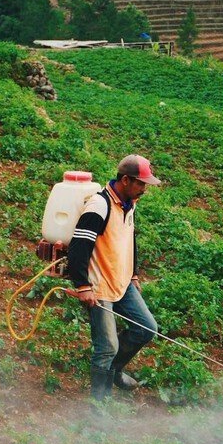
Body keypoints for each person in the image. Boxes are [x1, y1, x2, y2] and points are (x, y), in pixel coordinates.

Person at [67, 154, 161, 401]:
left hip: (121, 282)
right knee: (107, 346)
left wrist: (133, 274)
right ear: (126, 180)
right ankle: (99, 405)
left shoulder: (129, 203)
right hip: (100, 286)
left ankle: (115, 370)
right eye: (141, 183)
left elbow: (128, 239)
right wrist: (82, 285)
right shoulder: (99, 206)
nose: (144, 189)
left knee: (146, 328)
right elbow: (79, 246)